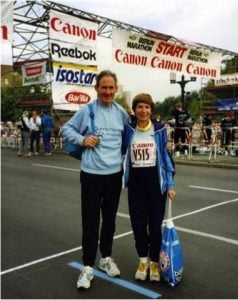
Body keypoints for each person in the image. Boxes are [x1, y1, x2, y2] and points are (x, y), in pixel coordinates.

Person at [62, 70, 130, 289]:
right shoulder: (88, 110)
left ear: (116, 89)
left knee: (109, 221)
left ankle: (106, 259)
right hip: (91, 175)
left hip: (114, 175)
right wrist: (83, 139)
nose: (108, 92)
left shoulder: (121, 113)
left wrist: (161, 141)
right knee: (90, 222)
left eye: (111, 88)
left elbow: (134, 135)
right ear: (97, 89)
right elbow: (66, 128)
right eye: (104, 87)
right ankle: (88, 266)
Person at [122, 93, 176, 282]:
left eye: (146, 107)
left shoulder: (160, 130)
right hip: (136, 184)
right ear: (134, 110)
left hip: (155, 184)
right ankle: (143, 260)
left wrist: (170, 184)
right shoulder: (128, 129)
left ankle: (154, 262)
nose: (143, 111)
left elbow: (166, 159)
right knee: (137, 225)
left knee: (154, 226)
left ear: (151, 110)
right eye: (139, 107)